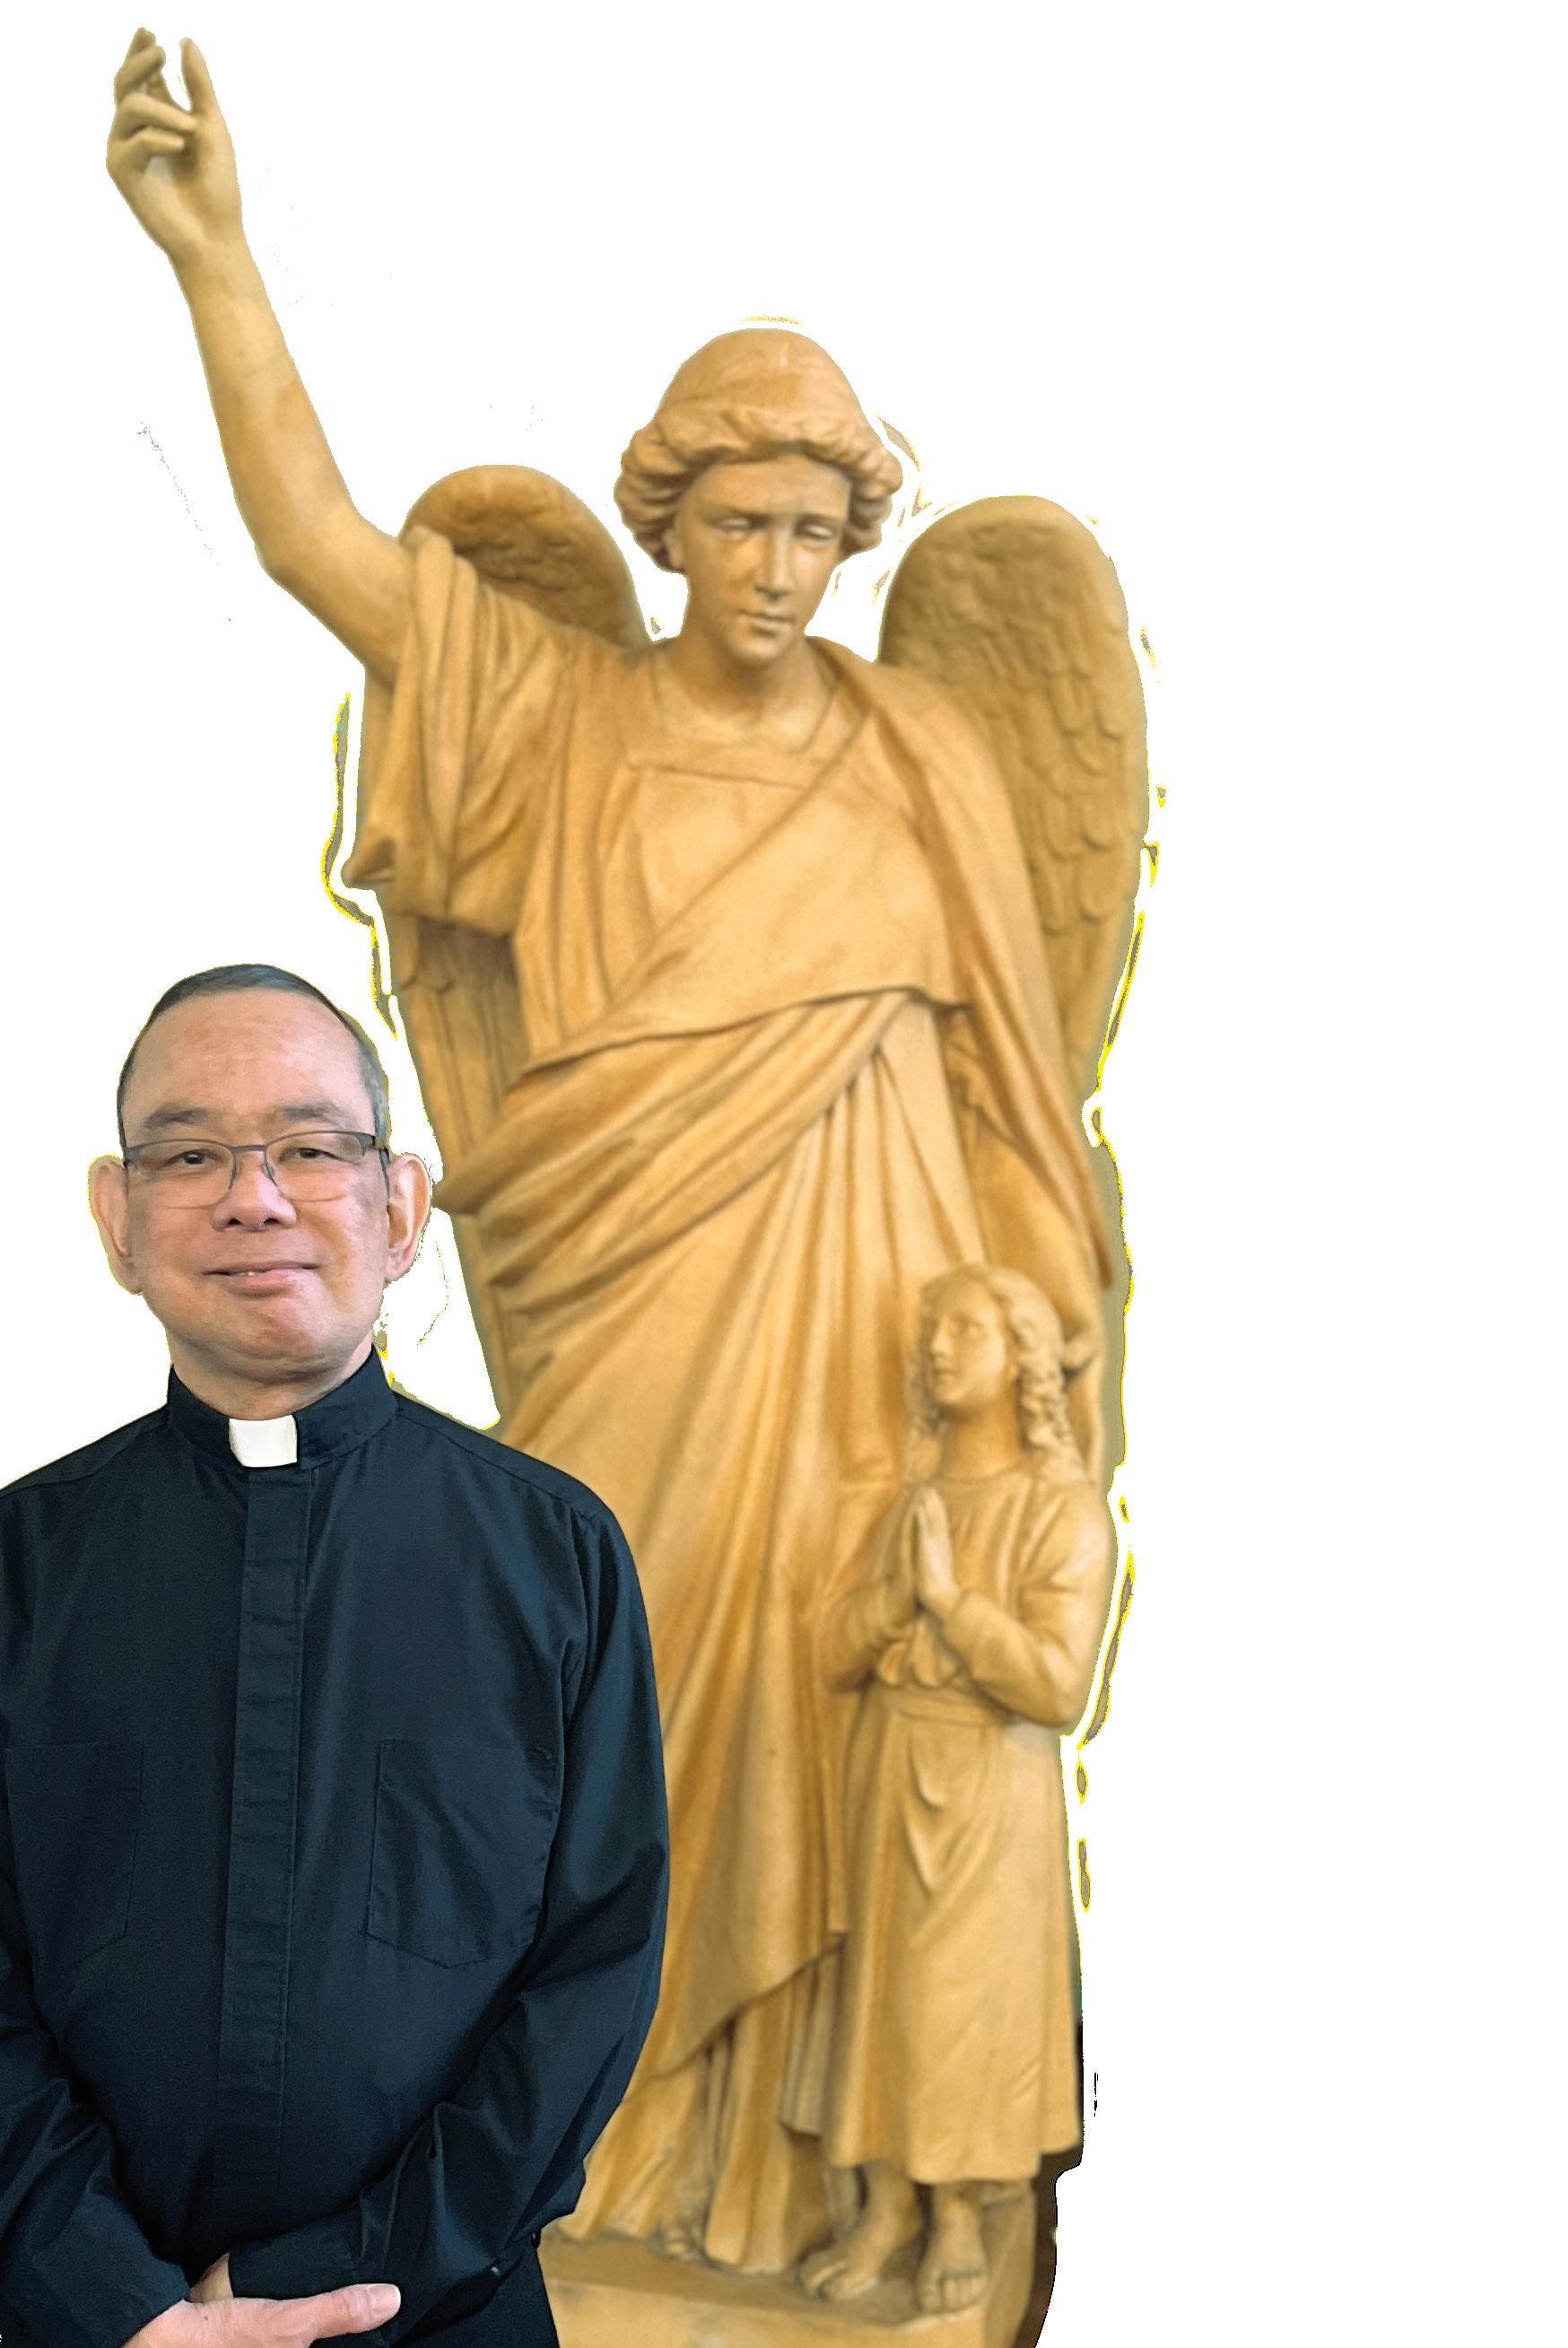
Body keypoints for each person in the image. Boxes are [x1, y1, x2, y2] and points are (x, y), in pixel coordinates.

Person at [105, 34, 1110, 2272]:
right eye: (738, 522)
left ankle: (806, 2173)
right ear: (665, 523)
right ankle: (584, 2152)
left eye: (815, 530)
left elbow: (1015, 1087)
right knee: (585, 1693)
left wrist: (1041, 1327)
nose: (776, 566)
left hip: (866, 1324)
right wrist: (215, 255)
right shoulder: (554, 714)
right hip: (625, 1317)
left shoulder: (920, 750)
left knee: (845, 1724)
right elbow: (317, 544)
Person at [0, 965, 668, 2347]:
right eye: (190, 1155)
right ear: (117, 1219)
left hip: (438, 2314)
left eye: (311, 1148)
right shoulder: (20, 1562)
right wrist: (121, 2299)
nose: (255, 1197)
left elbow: (591, 1982)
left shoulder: (554, 1555)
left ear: (402, 1207)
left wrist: (320, 2276)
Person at [801, 1266, 1113, 2316]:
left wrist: (949, 1601)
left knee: (964, 2001)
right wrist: (899, 1600)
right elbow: (835, 1649)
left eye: (965, 1328)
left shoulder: (1059, 1512)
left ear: (1020, 1356)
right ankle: (886, 2204)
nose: (937, 1345)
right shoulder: (916, 1502)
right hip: (892, 1765)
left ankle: (957, 2215)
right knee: (886, 1994)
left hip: (989, 1781)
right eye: (932, 1328)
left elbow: (1056, 1687)